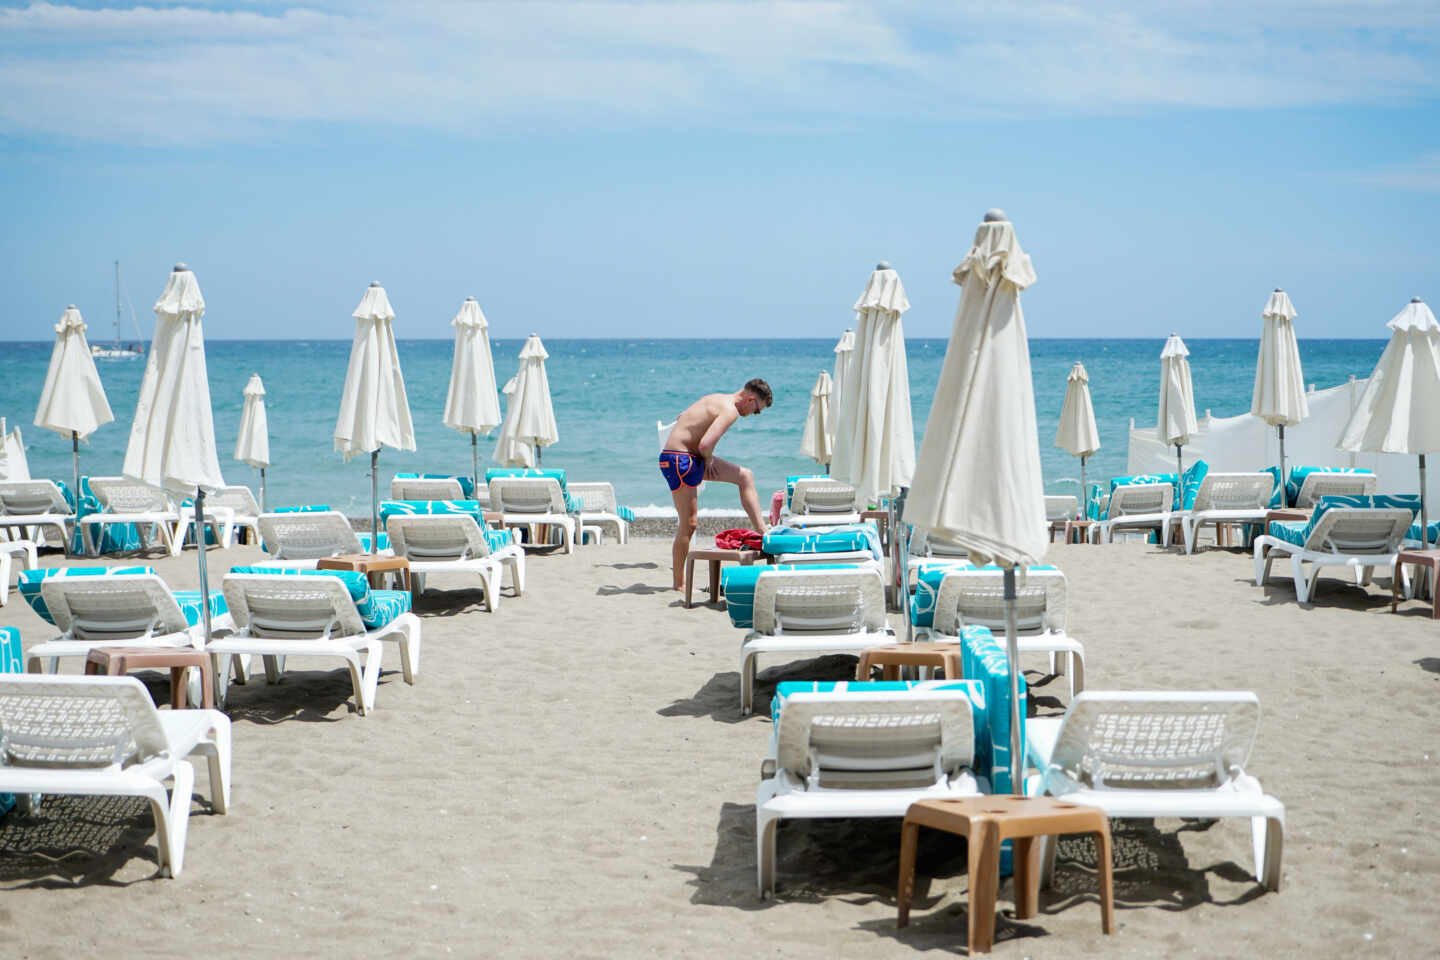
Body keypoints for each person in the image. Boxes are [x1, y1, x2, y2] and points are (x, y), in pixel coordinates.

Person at [659, 378, 773, 590]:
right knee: (689, 523)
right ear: (750, 399)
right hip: (681, 460)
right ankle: (678, 584)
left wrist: (700, 451)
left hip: (685, 458)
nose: (754, 414)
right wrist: (708, 459)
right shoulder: (730, 411)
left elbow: (682, 417)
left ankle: (762, 530)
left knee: (744, 476)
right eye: (757, 410)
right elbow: (705, 444)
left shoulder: (716, 398)